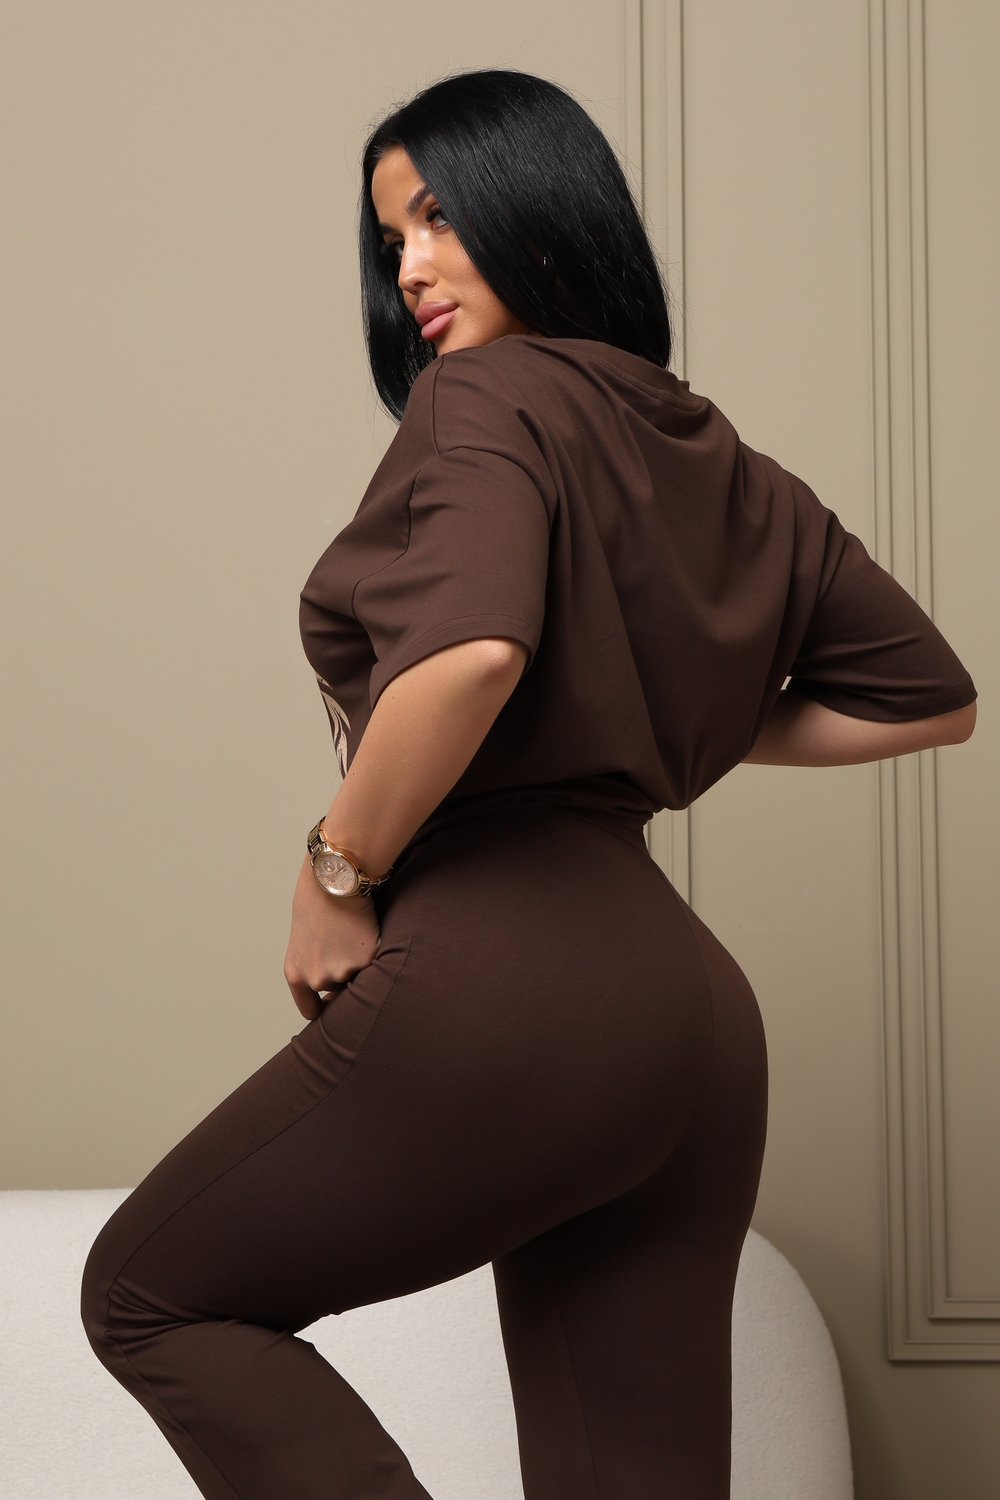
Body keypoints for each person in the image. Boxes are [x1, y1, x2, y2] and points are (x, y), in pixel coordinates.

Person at [81, 69, 976, 1500]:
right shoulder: (716, 455)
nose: (409, 267)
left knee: (148, 1295)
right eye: (392, 239)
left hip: (518, 981)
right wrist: (663, 715)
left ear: (543, 208)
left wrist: (335, 869)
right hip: (692, 1026)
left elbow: (474, 654)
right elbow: (933, 699)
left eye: (441, 216)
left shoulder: (482, 396)